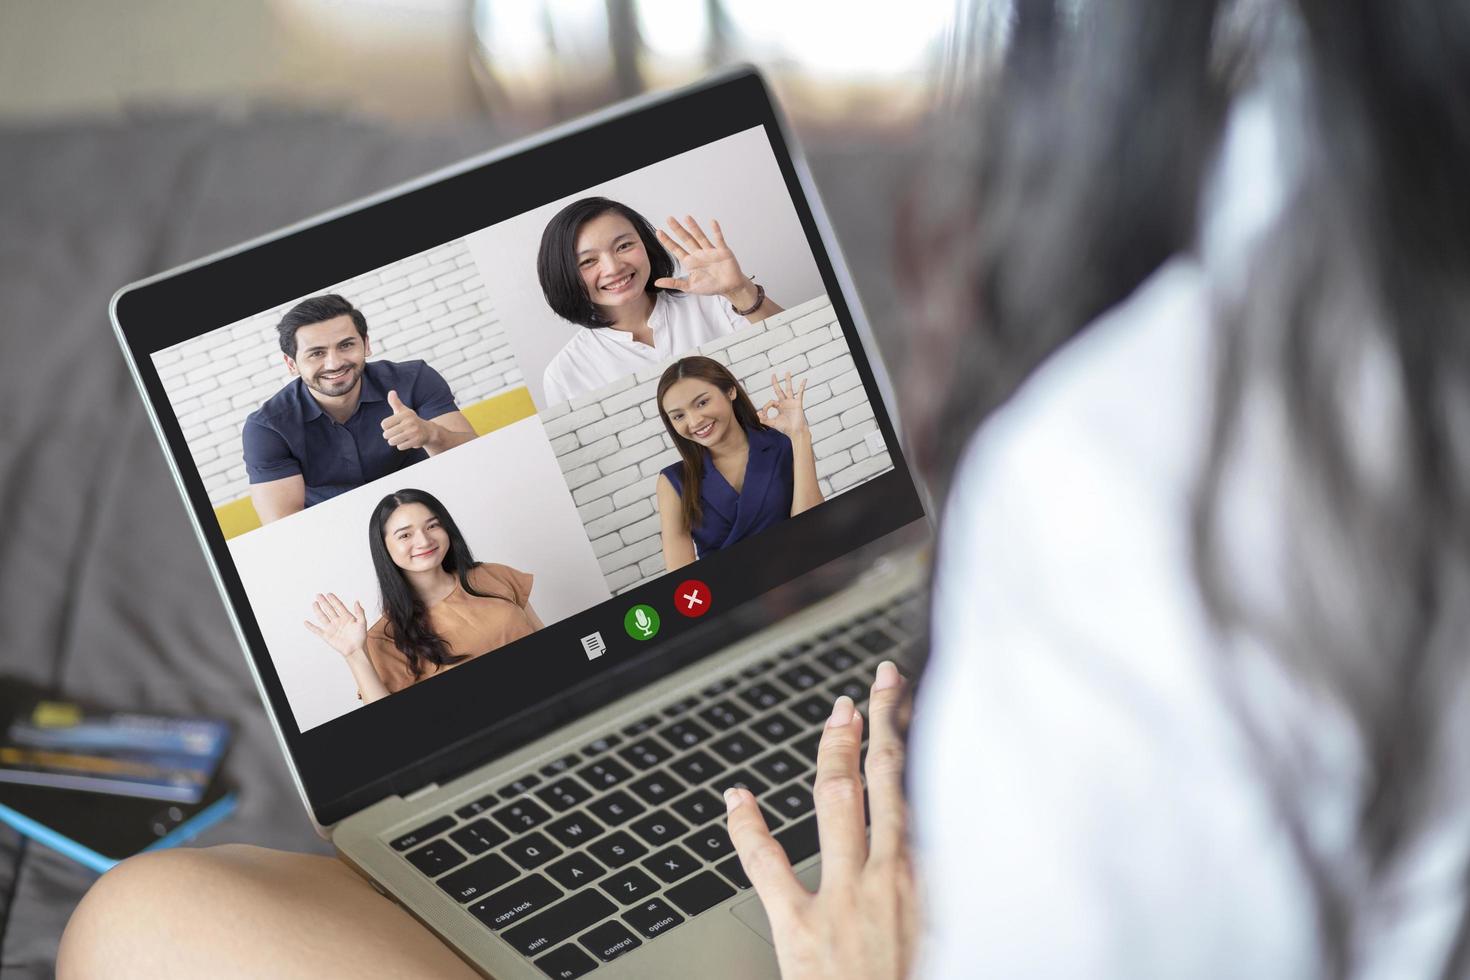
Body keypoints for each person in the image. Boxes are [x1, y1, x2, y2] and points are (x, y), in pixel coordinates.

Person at [59, 2, 1470, 978]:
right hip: (817, 669)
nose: (620, 276)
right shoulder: (473, 473)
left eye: (632, 254)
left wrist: (729, 298)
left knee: (149, 926)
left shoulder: (1122, 462)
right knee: (169, 903)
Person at [242, 294, 477, 524]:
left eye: (346, 345)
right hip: (335, 531)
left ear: (366, 344)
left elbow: (475, 459)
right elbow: (283, 525)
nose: (334, 363)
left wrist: (431, 434)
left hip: (432, 514)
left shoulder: (414, 379)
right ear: (291, 364)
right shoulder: (267, 427)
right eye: (316, 353)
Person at [537, 196, 784, 406]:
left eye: (623, 246)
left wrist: (740, 290)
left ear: (646, 245)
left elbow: (788, 348)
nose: (614, 267)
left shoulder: (711, 298)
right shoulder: (564, 374)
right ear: (564, 275)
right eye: (588, 261)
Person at [304, 489, 543, 702]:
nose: (424, 540)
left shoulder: (493, 575)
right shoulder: (383, 638)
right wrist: (354, 653)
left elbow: (548, 642)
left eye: (432, 526)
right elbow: (389, 727)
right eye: (405, 535)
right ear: (384, 548)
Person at [654, 356, 823, 570]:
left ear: (730, 391)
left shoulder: (782, 443)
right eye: (678, 416)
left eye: (702, 403)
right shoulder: (673, 481)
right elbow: (682, 575)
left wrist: (800, 436)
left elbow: (812, 529)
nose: (694, 421)